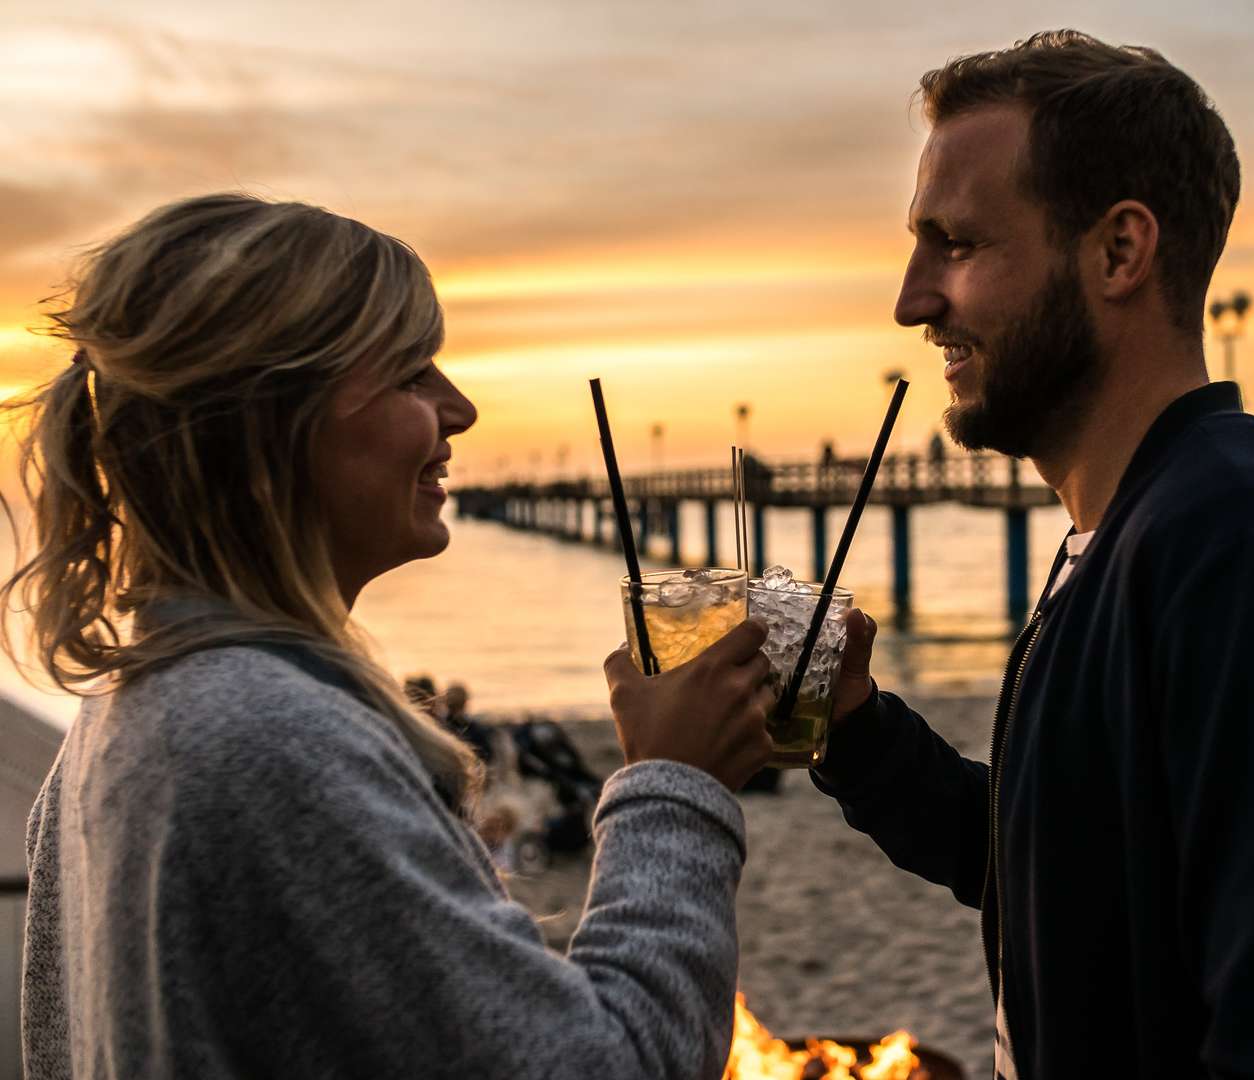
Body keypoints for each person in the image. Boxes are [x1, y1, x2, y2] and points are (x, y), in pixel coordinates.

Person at [5, 193, 777, 1079]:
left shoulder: (131, 714)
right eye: (413, 374)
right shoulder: (269, 737)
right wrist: (674, 781)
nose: (460, 411)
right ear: (272, 423)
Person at [808, 31, 1254, 1077]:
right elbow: (1058, 873)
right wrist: (856, 730)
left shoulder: (1248, 556)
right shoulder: (1130, 534)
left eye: (956, 243)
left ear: (1118, 252)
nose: (912, 300)